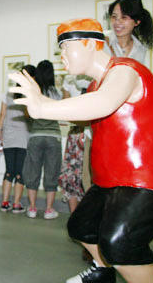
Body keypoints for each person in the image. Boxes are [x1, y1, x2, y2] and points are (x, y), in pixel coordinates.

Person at [9, 18, 153, 283]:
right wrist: (44, 104)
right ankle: (103, 273)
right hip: (111, 182)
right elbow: (86, 112)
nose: (61, 56)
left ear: (90, 44)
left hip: (150, 181)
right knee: (81, 227)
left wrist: (45, 107)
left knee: (120, 244)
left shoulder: (125, 70)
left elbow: (103, 103)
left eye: (65, 48)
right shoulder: (95, 86)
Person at [22, 61, 62, 219]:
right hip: (54, 136)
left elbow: (27, 114)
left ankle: (32, 208)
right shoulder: (56, 93)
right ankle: (49, 210)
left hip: (36, 135)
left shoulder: (34, 93)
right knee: (52, 172)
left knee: (33, 171)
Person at [0, 64, 33, 213]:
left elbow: (2, 115)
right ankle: (16, 204)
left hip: (9, 136)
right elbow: (29, 116)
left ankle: (5, 203)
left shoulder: (8, 93)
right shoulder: (28, 95)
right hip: (24, 137)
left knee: (9, 171)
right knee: (20, 172)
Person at [58, 75, 91, 213]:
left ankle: (79, 215)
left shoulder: (74, 80)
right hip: (82, 131)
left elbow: (64, 105)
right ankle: (79, 216)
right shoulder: (71, 80)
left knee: (77, 175)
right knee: (79, 175)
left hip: (83, 132)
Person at [105, 0, 153, 64]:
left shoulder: (140, 48)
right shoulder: (101, 40)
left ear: (137, 22)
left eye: (124, 17)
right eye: (114, 17)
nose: (117, 22)